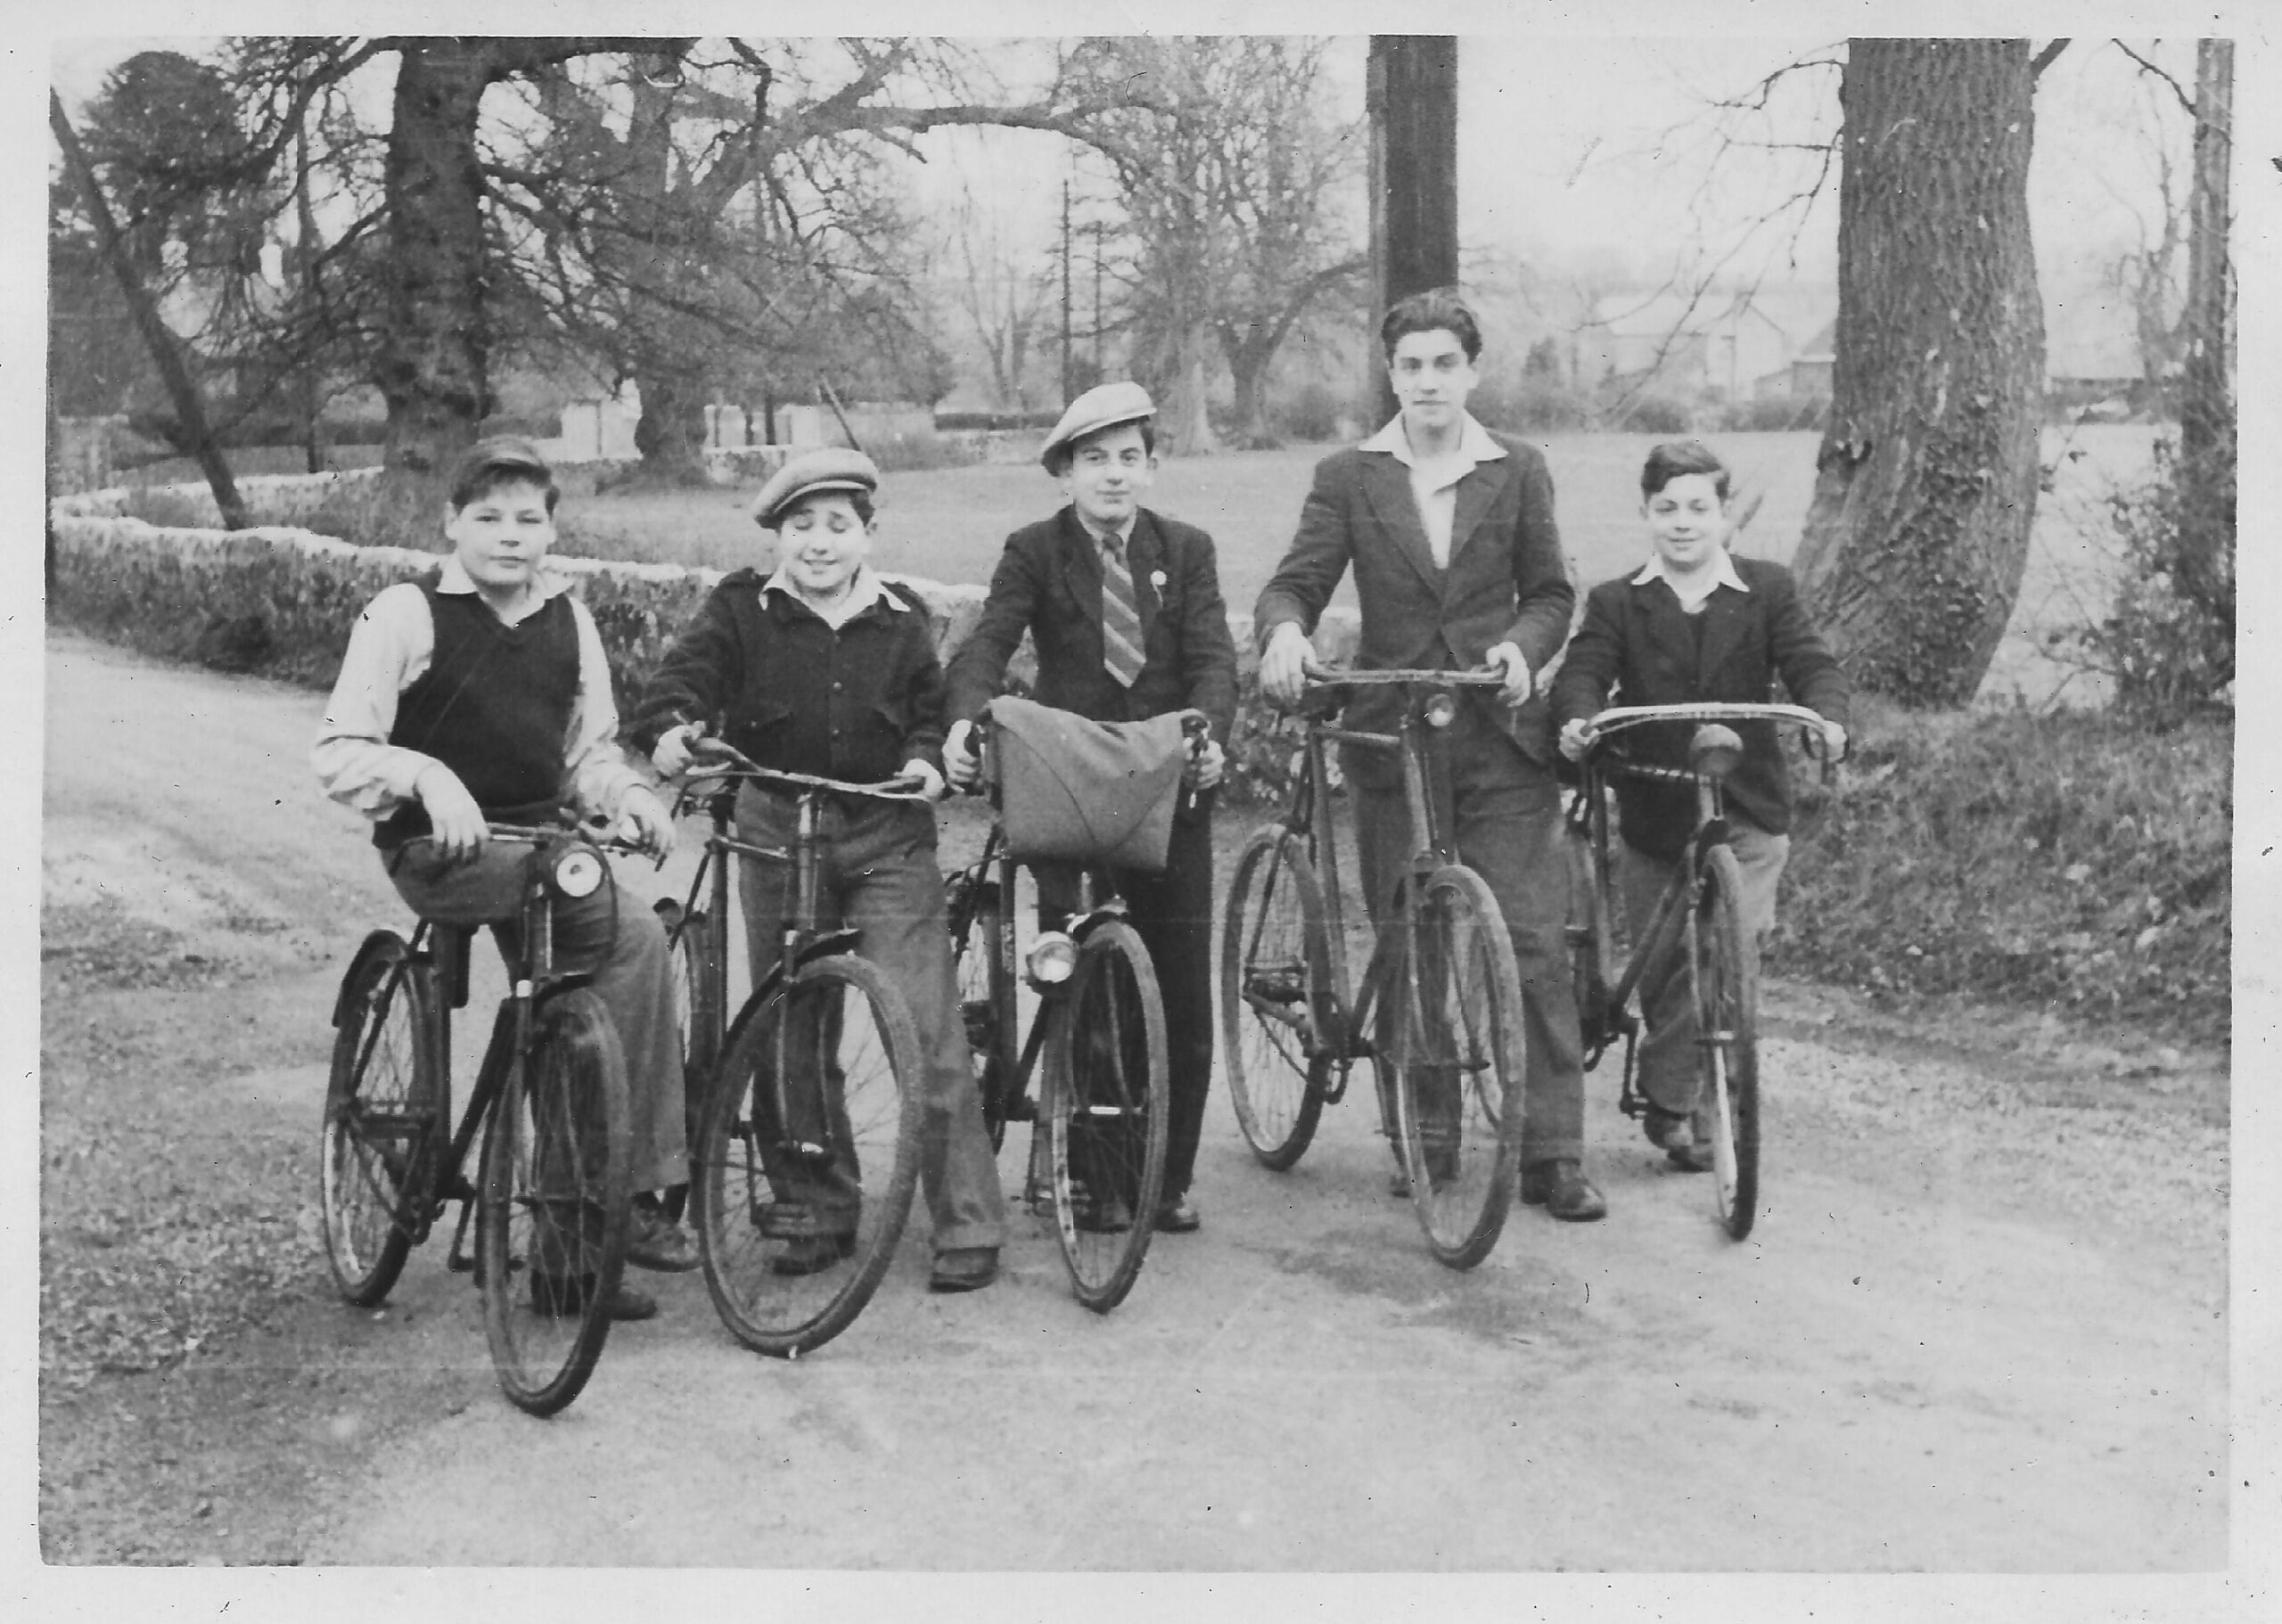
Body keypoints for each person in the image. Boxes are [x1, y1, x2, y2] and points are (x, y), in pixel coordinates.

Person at [313, 435, 695, 1321]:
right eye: (488, 517)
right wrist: (425, 776)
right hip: (437, 852)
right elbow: (338, 749)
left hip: (539, 847)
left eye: (529, 519)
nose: (510, 535)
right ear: (452, 523)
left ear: (552, 530)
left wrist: (629, 795)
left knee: (633, 942)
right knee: (592, 911)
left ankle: (582, 1236)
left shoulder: (569, 621)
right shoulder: (404, 613)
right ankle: (606, 1196)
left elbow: (586, 756)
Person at [1255, 286, 1605, 1221]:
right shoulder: (1350, 476)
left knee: (1532, 940)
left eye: (1445, 363)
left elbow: (1551, 593)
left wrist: (1521, 650)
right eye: (1410, 366)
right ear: (1391, 374)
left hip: (1500, 739)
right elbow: (1295, 583)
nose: (1428, 381)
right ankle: (1429, 1133)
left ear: (1472, 372)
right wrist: (1284, 632)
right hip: (1394, 738)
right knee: (1412, 940)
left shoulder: (1517, 468)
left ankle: (1553, 1151)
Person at [632, 448, 1008, 1293]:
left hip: (885, 834)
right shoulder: (741, 608)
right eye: (800, 525)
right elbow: (681, 682)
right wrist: (672, 729)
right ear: (777, 536)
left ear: (868, 535)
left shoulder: (901, 619)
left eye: (838, 525)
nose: (818, 542)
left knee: (923, 1020)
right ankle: (815, 1205)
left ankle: (968, 1219)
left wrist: (926, 762)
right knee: (790, 1022)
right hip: (777, 829)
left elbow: (928, 713)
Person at [941, 381, 1239, 1235]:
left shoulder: (1186, 551)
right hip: (1068, 791)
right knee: (1083, 981)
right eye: (1095, 459)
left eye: (1129, 458)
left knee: (1179, 994)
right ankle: (1096, 1172)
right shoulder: (1035, 551)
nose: (1114, 475)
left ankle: (1164, 1178)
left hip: (1165, 790)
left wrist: (1209, 735)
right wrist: (964, 721)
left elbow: (1213, 660)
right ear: (1065, 473)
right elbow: (990, 641)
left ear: (1152, 466)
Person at [1550, 439, 1850, 1169]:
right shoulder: (1619, 601)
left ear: (1725, 515)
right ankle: (1670, 1097)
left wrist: (1827, 715)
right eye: (1667, 509)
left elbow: (1809, 661)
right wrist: (1580, 717)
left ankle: (1704, 1104)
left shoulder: (1767, 589)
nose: (1683, 522)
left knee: (1727, 947)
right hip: (1657, 809)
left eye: (1698, 508)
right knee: (1668, 965)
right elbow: (1585, 671)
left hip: (1748, 808)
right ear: (1647, 515)